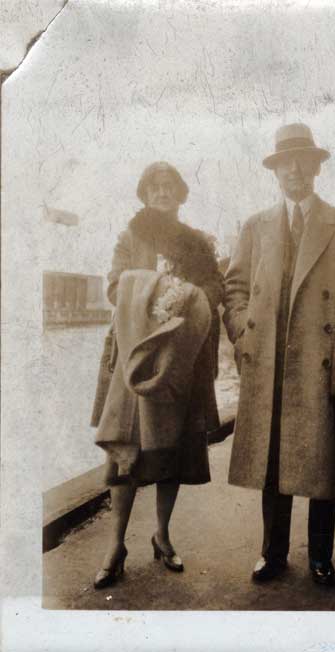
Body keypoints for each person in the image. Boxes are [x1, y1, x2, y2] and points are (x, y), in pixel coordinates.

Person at [223, 123, 335, 586]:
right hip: (268, 361)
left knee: (323, 463)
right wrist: (245, 337)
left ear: (316, 168)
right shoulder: (256, 225)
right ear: (276, 171)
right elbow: (234, 288)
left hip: (320, 360)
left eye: (304, 162)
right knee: (272, 462)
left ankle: (321, 556)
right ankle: (273, 553)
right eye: (287, 164)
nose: (295, 171)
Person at [90, 161, 223, 589]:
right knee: (125, 453)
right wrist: (154, 287)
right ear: (145, 194)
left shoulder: (198, 244)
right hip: (135, 359)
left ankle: (162, 535)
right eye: (154, 186)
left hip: (178, 360)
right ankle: (115, 545)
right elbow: (114, 287)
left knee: (172, 454)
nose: (162, 192)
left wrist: (190, 297)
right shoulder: (132, 236)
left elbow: (214, 289)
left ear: (181, 194)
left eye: (170, 187)